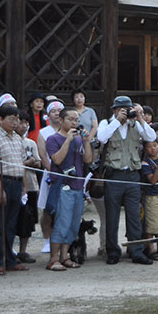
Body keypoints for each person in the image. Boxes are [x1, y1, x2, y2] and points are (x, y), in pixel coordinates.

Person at [96, 95, 157, 265]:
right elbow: (101, 138)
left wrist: (140, 118)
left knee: (134, 216)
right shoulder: (106, 123)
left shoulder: (135, 124)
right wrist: (117, 120)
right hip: (113, 175)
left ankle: (135, 250)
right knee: (112, 217)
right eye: (121, 109)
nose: (125, 112)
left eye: (127, 109)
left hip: (132, 175)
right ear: (114, 110)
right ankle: (113, 252)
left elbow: (151, 138)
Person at [0, 105, 30, 275]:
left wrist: (24, 186)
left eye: (16, 119)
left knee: (11, 224)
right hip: (3, 181)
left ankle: (10, 259)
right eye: (11, 118)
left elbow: (21, 163)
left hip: (17, 182)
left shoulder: (17, 138)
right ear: (0, 119)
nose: (14, 122)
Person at [46, 109, 93, 271]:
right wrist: (67, 140)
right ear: (61, 120)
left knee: (73, 224)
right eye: (70, 119)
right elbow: (57, 159)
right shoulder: (53, 139)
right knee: (62, 222)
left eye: (76, 120)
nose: (74, 123)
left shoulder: (79, 139)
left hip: (78, 186)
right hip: (62, 186)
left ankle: (64, 256)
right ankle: (53, 259)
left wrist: (86, 141)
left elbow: (87, 159)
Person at [36, 100, 63, 254]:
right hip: (50, 173)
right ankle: (47, 240)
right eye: (54, 111)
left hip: (67, 174)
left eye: (60, 110)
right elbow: (42, 154)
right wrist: (52, 171)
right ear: (48, 114)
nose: (57, 113)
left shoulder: (69, 130)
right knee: (47, 208)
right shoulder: (44, 132)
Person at [14, 111, 41, 264]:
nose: (23, 126)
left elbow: (38, 162)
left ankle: (23, 251)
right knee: (13, 218)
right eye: (21, 122)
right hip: (15, 182)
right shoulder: (11, 141)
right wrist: (25, 163)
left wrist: (31, 162)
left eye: (26, 123)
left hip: (31, 184)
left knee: (28, 219)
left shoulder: (31, 143)